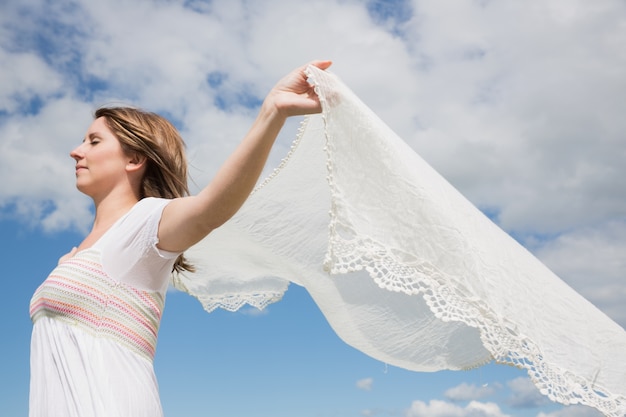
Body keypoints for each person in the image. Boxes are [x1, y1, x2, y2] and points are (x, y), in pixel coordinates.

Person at [29, 60, 332, 417]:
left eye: (94, 141)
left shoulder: (145, 222)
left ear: (135, 158)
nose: (76, 151)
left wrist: (274, 111)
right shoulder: (79, 256)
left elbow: (212, 207)